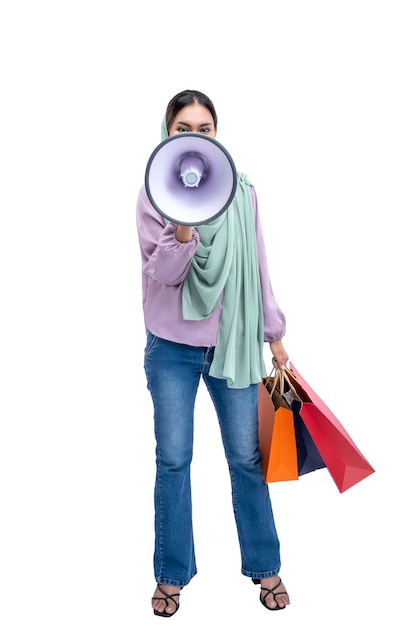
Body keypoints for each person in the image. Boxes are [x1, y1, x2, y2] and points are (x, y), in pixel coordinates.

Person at [136, 89, 291, 617]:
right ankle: (171, 574)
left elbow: (260, 267)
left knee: (247, 459)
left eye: (205, 128)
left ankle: (265, 566)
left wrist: (275, 335)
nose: (195, 136)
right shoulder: (154, 194)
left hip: (232, 347)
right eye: (184, 128)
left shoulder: (242, 193)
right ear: (168, 133)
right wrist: (182, 220)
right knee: (174, 460)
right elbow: (165, 274)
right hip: (172, 350)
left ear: (215, 137)